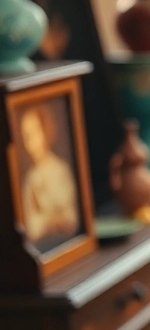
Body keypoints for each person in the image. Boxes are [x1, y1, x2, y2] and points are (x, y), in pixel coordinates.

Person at [19, 103, 80, 251]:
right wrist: (51, 221)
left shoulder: (61, 170)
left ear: (44, 131)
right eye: (26, 137)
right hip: (44, 247)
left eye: (33, 134)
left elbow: (73, 218)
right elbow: (31, 228)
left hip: (69, 243)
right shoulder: (30, 179)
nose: (30, 143)